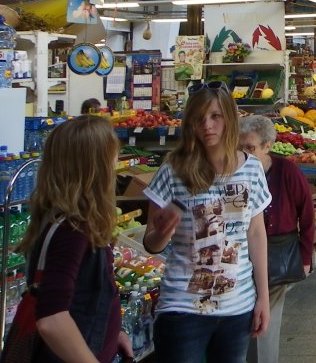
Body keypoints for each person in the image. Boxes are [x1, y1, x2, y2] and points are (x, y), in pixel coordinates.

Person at [143, 83, 271, 363]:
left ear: (229, 118)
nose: (207, 125)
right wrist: (163, 232)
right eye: (199, 118)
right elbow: (151, 242)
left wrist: (263, 296)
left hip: (237, 307)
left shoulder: (251, 169)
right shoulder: (173, 170)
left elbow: (256, 234)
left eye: (215, 116)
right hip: (182, 308)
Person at [12, 116, 133, 363]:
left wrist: (112, 332)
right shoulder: (73, 230)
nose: (116, 164)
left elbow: (82, 298)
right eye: (112, 157)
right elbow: (52, 318)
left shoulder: (71, 221)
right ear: (94, 167)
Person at [239, 116, 315, 363]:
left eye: (250, 148)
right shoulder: (235, 171)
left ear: (267, 145)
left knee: (265, 324)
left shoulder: (287, 171)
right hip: (241, 258)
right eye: (240, 147)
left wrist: (305, 258)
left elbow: (307, 215)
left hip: (277, 255)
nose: (245, 153)